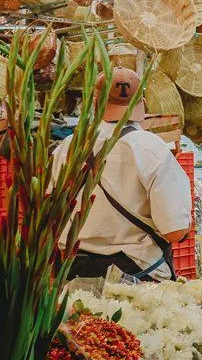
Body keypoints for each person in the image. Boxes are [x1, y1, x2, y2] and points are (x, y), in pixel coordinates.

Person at [53, 68, 192, 281]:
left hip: (74, 274)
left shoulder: (67, 148)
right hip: (137, 277)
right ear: (142, 103)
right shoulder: (153, 150)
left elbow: (50, 214)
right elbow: (175, 231)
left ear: (95, 102)